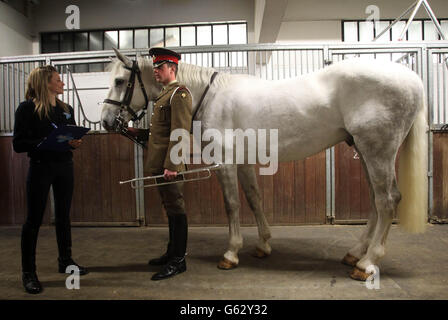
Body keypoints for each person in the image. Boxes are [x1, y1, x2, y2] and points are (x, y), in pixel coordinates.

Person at [13, 65, 88, 294]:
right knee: (33, 220)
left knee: (64, 216)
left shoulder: (66, 108)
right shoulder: (26, 109)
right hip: (40, 167)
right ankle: (29, 272)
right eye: (58, 80)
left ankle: (65, 260)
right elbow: (18, 144)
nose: (62, 83)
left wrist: (75, 142)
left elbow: (71, 135)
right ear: (46, 83)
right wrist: (43, 141)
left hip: (64, 165)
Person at [129, 48, 192, 281]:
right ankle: (171, 253)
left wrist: (173, 165)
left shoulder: (180, 94)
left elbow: (180, 132)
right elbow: (162, 132)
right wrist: (139, 132)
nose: (155, 70)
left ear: (172, 69)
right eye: (155, 67)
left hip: (169, 166)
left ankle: (179, 261)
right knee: (170, 209)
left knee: (177, 210)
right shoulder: (164, 95)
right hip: (161, 164)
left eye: (160, 67)